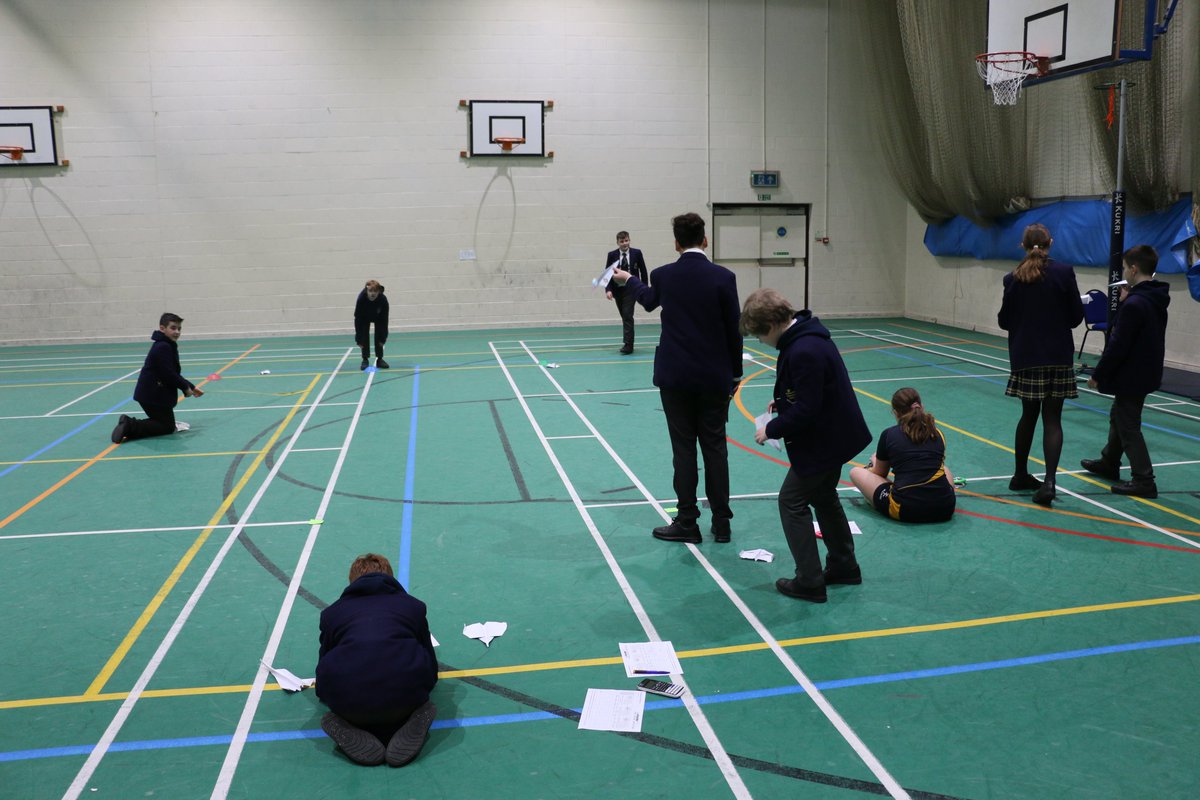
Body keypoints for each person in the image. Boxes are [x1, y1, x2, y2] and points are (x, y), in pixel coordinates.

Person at [611, 213, 743, 544]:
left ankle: (687, 521)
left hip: (676, 377)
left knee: (683, 449)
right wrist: (736, 372)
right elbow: (734, 329)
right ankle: (722, 523)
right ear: (705, 240)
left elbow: (649, 301)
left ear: (676, 243)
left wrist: (630, 280)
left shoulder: (663, 275)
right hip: (714, 377)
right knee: (715, 448)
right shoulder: (724, 277)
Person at [743, 289, 872, 603]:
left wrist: (771, 428)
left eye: (760, 334)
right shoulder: (806, 336)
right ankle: (844, 566)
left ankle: (810, 581)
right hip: (835, 434)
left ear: (772, 324)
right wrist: (786, 398)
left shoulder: (803, 349)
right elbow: (809, 391)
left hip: (825, 439)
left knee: (791, 502)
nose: (760, 341)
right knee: (824, 497)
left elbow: (809, 408)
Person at [316, 553, 438, 767]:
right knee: (415, 683)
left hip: (349, 706)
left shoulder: (331, 614)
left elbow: (323, 664)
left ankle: (346, 724)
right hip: (405, 701)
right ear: (391, 577)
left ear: (351, 580)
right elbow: (431, 664)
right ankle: (414, 716)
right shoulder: (414, 606)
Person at [997, 223, 1084, 506]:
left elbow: (1004, 321)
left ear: (1023, 246)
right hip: (1057, 357)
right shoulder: (1064, 273)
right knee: (1053, 419)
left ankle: (1020, 474)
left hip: (1026, 357)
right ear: (1051, 243)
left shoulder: (1012, 279)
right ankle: (1049, 482)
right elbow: (1075, 318)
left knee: (1028, 415)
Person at [1081, 245, 1170, 499]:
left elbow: (1118, 345)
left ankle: (1144, 479)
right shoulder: (1153, 298)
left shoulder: (1135, 304)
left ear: (1133, 269)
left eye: (1124, 268)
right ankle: (1109, 461)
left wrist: (1098, 374)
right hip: (1145, 371)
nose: (1123, 272)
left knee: (1129, 425)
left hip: (1133, 374)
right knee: (1118, 416)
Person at [849, 388, 956, 523]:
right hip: (945, 508)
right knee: (944, 469)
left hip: (907, 510)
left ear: (895, 413)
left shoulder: (889, 434)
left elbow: (880, 473)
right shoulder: (938, 433)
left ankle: (889, 498)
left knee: (855, 472)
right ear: (921, 407)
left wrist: (874, 462)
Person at [110, 313, 203, 444]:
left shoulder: (166, 344)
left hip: (154, 394)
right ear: (162, 328)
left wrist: (191, 387)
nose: (177, 332)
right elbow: (168, 374)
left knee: (164, 424)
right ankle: (129, 425)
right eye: (173, 328)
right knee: (166, 427)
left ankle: (129, 425)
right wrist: (185, 388)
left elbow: (172, 372)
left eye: (179, 328)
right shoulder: (163, 346)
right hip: (153, 395)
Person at [602, 231, 648, 354]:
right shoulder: (611, 255)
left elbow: (643, 271)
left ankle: (628, 345)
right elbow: (607, 273)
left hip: (631, 289)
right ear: (617, 243)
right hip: (617, 290)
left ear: (629, 240)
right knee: (625, 316)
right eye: (622, 241)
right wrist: (608, 290)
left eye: (626, 240)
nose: (624, 243)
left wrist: (644, 288)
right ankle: (628, 340)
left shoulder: (637, 253)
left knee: (627, 315)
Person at [354, 280, 390, 370]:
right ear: (367, 291)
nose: (372, 294)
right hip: (364, 317)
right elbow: (358, 319)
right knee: (364, 335)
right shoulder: (361, 299)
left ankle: (380, 359)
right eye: (370, 291)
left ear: (379, 291)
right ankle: (365, 359)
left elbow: (385, 321)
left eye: (375, 291)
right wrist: (358, 338)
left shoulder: (383, 300)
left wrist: (383, 338)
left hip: (379, 317)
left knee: (379, 336)